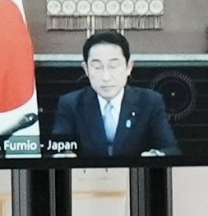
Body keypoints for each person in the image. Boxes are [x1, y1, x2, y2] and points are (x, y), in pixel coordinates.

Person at [49, 31, 180, 157]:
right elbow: (58, 148)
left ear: (129, 67)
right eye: (97, 67)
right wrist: (64, 156)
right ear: (86, 69)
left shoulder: (150, 101)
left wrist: (155, 156)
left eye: (113, 66)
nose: (106, 77)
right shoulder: (70, 104)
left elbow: (171, 149)